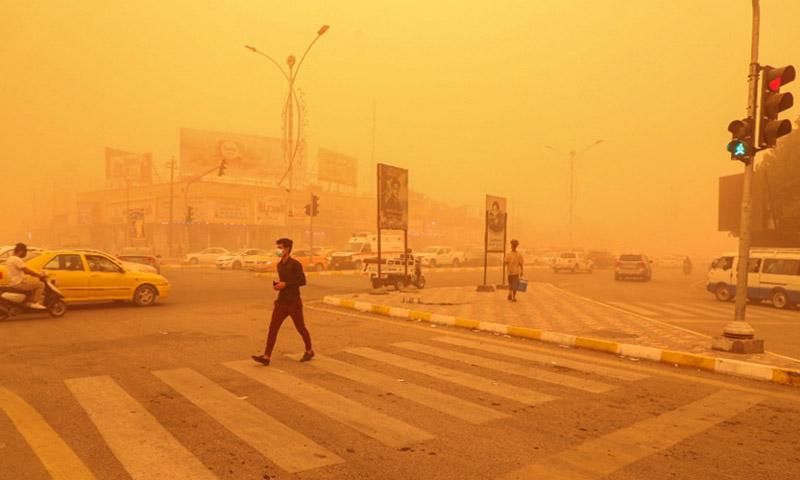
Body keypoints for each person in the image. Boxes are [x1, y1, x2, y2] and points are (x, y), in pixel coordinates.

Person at [252, 238, 314, 366]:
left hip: (294, 303)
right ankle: (267, 356)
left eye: (280, 248)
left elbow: (302, 281)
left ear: (287, 249)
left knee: (300, 328)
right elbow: (283, 282)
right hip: (281, 303)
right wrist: (278, 286)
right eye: (278, 247)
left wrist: (285, 284)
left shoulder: (295, 264)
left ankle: (309, 350)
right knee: (272, 328)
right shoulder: (279, 265)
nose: (278, 250)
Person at [5, 243, 46, 309]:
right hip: (19, 283)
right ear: (21, 251)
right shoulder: (16, 259)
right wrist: (38, 275)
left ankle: (27, 301)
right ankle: (34, 302)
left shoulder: (10, 259)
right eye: (25, 252)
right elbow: (26, 270)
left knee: (33, 283)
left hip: (13, 282)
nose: (25, 254)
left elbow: (21, 271)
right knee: (40, 285)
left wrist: (34, 274)